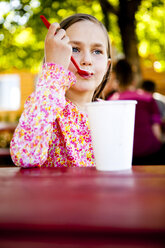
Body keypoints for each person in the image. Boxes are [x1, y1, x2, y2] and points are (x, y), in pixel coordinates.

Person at [10, 13, 111, 168]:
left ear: (107, 65)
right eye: (75, 49)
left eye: (97, 51)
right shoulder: (44, 106)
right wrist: (54, 71)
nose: (87, 60)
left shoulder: (110, 112)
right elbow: (25, 156)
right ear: (56, 57)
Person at [107, 59, 165, 165]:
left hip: (124, 155)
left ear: (116, 80)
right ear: (134, 79)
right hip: (151, 152)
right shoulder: (148, 98)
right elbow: (156, 130)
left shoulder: (111, 101)